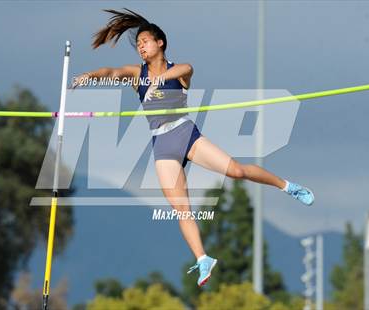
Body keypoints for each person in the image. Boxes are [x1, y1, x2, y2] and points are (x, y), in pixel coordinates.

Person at [73, 8, 314, 287]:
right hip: (162, 144)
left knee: (236, 170)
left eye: (145, 42)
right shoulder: (136, 74)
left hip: (186, 134)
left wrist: (160, 80)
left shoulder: (180, 70)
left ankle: (288, 186)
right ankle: (202, 259)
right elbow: (111, 71)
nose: (140, 47)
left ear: (160, 43)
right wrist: (89, 76)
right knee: (181, 209)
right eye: (138, 44)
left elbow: (185, 69)